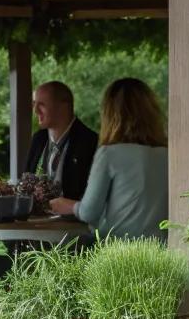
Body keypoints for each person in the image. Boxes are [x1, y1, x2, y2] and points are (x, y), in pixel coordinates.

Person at [50, 78, 168, 240]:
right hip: (160, 249)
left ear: (111, 114)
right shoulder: (168, 155)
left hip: (116, 252)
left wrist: (68, 206)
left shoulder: (109, 154)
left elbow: (89, 212)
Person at [23, 81, 98, 201]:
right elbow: (25, 184)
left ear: (64, 106)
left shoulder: (90, 142)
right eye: (34, 104)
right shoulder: (38, 139)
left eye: (41, 104)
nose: (35, 110)